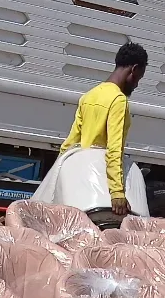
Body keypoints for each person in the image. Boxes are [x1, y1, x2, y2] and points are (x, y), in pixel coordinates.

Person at [59, 42, 148, 216]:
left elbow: (70, 143)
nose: (136, 85)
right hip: (102, 186)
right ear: (134, 69)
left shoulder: (89, 96)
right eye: (139, 78)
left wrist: (60, 174)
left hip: (82, 182)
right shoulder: (118, 100)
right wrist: (117, 193)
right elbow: (114, 150)